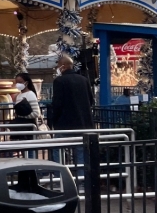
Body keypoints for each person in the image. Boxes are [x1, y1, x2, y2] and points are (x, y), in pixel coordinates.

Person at [46, 53, 95, 184]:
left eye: (58, 65)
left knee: (57, 149)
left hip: (64, 123)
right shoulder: (83, 80)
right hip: (83, 123)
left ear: (62, 66)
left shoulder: (59, 81)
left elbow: (57, 103)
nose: (57, 67)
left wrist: (53, 120)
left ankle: (60, 179)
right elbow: (91, 101)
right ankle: (82, 182)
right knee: (81, 152)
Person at [11, 72, 43, 148]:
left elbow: (36, 113)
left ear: (26, 82)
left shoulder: (30, 94)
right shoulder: (19, 95)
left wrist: (21, 116)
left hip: (28, 128)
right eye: (17, 82)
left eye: (20, 82)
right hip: (20, 128)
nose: (18, 84)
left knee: (29, 150)